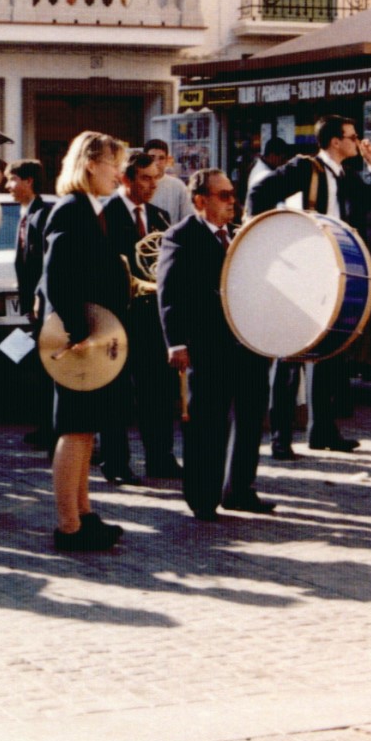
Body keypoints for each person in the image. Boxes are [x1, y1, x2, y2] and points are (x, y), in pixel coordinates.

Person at [247, 115, 371, 454]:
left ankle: (322, 431)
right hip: (303, 267)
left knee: (330, 349)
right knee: (290, 352)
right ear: (334, 141)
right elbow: (258, 193)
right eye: (352, 136)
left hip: (335, 268)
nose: (357, 141)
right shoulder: (304, 168)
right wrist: (276, 237)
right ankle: (281, 437)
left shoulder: (346, 175)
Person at [157, 167, 271, 519]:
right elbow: (169, 293)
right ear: (200, 201)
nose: (232, 202)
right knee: (207, 422)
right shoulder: (181, 236)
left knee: (250, 417)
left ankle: (239, 490)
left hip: (247, 342)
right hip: (207, 343)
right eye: (223, 196)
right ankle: (203, 497)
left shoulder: (239, 235)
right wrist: (176, 342)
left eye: (233, 194)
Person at [40, 131, 132, 551]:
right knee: (75, 430)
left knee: (85, 430)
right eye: (115, 164)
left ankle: (83, 513)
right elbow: (56, 279)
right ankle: (68, 526)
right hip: (76, 340)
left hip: (89, 337)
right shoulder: (70, 210)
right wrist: (79, 333)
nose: (119, 173)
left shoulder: (90, 209)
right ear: (91, 164)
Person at [100, 150, 180, 482]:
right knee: (116, 394)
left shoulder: (161, 216)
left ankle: (160, 458)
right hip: (118, 315)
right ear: (125, 178)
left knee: (158, 391)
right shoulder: (105, 213)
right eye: (145, 179)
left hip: (152, 318)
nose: (152, 185)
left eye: (155, 179)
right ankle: (115, 463)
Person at [8, 159, 56, 450]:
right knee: (38, 366)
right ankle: (44, 425)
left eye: (12, 179)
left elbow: (45, 264)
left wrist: (39, 298)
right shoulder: (26, 213)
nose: (8, 186)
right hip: (33, 306)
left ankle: (52, 429)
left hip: (45, 304)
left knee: (48, 367)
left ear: (29, 181)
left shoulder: (43, 214)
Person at [142, 138, 192, 228]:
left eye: (161, 158)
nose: (157, 162)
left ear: (166, 160)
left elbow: (188, 219)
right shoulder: (137, 185)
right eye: (152, 157)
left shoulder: (178, 186)